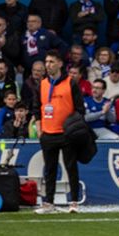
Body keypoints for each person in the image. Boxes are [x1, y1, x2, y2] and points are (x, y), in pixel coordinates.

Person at [36, 51, 83, 212]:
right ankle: (49, 203)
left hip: (66, 133)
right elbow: (37, 108)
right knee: (50, 169)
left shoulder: (71, 83)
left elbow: (79, 109)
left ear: (60, 64)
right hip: (48, 133)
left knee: (71, 167)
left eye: (51, 62)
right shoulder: (42, 84)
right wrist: (39, 129)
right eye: (46, 61)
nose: (48, 65)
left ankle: (74, 202)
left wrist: (74, 128)